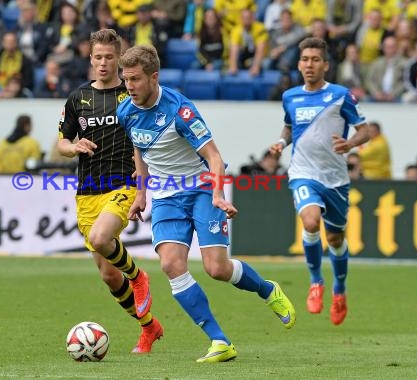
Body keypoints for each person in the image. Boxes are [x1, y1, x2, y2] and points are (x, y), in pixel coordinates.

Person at [118, 44, 295, 363]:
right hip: (166, 196)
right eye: (125, 79)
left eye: (135, 79)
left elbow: (214, 156)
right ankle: (219, 340)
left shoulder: (180, 110)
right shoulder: (126, 111)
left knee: (216, 268)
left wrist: (216, 194)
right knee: (171, 265)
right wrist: (141, 194)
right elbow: (139, 150)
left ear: (154, 77)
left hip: (201, 189)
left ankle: (268, 290)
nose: (129, 86)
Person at [57, 29, 163, 354]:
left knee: (104, 239)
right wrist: (73, 147)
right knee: (107, 275)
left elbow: (142, 138)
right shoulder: (78, 98)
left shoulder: (129, 96)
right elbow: (60, 143)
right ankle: (149, 328)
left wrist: (142, 179)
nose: (103, 63)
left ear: (119, 58)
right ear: (90, 59)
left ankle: (138, 275)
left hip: (122, 185)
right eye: (98, 57)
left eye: (109, 57)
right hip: (87, 192)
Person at [270, 37, 370, 326]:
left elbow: (365, 132)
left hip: (336, 179)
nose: (309, 64)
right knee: (311, 222)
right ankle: (316, 282)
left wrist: (350, 144)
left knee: (336, 239)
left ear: (326, 64)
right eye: (305, 59)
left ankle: (339, 289)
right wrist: (280, 142)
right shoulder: (290, 96)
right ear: (299, 64)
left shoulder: (341, 95)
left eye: (315, 59)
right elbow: (290, 127)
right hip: (303, 172)